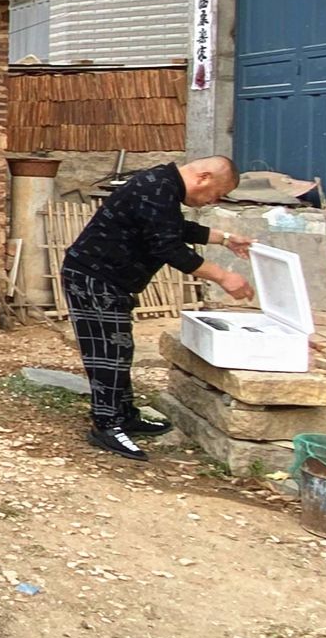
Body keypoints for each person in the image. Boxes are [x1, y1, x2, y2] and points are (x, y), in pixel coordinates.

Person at [58, 156, 254, 462]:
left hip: (108, 279)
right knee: (107, 354)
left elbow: (175, 228)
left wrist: (225, 239)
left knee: (120, 349)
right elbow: (169, 248)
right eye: (214, 194)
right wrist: (224, 277)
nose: (210, 202)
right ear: (203, 177)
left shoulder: (162, 185)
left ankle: (125, 415)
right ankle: (107, 426)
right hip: (93, 277)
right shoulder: (158, 189)